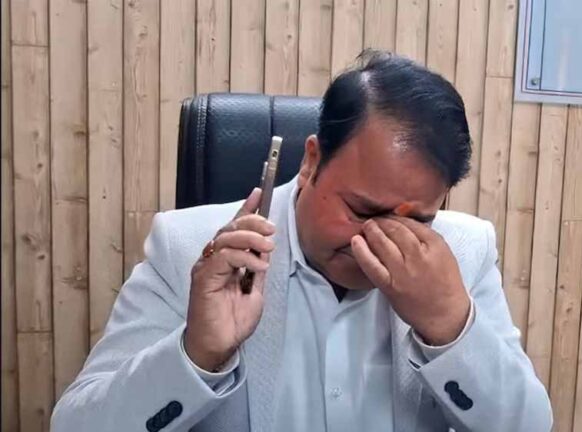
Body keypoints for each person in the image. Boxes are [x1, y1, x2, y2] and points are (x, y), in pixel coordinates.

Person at [51, 50, 552, 432]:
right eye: (361, 210)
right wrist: (196, 354)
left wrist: (449, 328)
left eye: (417, 221)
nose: (377, 241)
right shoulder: (191, 248)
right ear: (311, 161)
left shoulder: (463, 253)